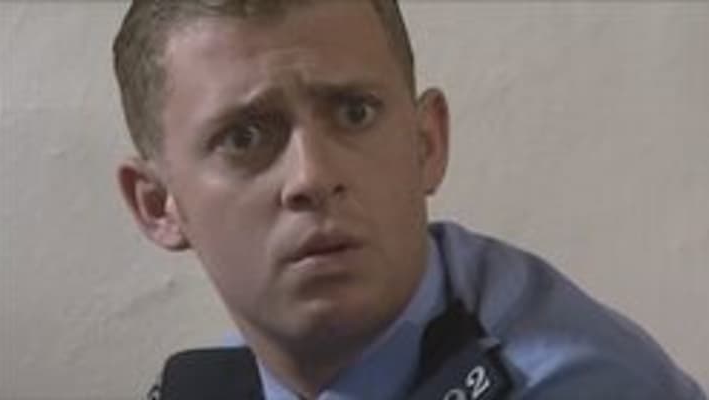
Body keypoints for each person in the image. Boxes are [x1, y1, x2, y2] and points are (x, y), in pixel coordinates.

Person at [112, 1, 706, 399]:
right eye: (244, 138)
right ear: (158, 205)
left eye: (355, 113)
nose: (313, 176)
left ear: (426, 144)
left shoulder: (575, 384)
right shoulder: (218, 380)